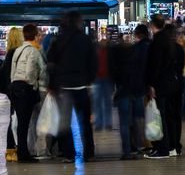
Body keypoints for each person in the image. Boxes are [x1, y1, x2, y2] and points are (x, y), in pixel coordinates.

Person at [47, 11, 97, 163]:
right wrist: (89, 81)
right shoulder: (85, 40)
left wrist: (52, 84)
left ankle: (68, 153)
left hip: (64, 87)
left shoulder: (58, 40)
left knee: (65, 122)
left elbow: (51, 64)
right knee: (85, 122)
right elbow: (93, 62)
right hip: (82, 86)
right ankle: (89, 152)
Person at [145, 15, 185, 159]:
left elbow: (155, 66)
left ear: (152, 25)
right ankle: (174, 146)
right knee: (172, 116)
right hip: (175, 84)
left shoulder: (157, 43)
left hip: (161, 85)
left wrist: (151, 84)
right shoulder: (176, 46)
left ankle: (163, 148)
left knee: (160, 116)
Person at [111, 23, 150, 160]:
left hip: (124, 92)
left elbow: (115, 77)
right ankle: (137, 146)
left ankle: (127, 150)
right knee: (137, 119)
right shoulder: (137, 54)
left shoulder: (118, 64)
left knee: (124, 123)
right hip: (138, 91)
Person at [9, 24, 47, 163]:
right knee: (26, 123)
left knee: (20, 123)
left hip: (15, 86)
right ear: (35, 36)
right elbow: (35, 70)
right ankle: (25, 154)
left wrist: (14, 82)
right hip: (26, 88)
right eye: (38, 34)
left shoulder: (18, 50)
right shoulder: (33, 51)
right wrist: (33, 84)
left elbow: (13, 69)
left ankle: (22, 151)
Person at [0, 27, 23, 162]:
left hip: (11, 91)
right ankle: (13, 148)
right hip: (16, 90)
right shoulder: (16, 53)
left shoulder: (9, 54)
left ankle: (11, 149)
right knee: (15, 119)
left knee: (13, 118)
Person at [93, 40, 113, 131]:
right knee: (101, 102)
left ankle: (103, 123)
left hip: (104, 78)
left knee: (103, 102)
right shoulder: (100, 51)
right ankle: (101, 123)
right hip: (100, 78)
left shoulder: (104, 52)